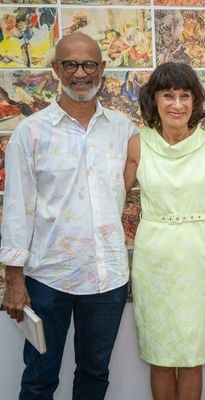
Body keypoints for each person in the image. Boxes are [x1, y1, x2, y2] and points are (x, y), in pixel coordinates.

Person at [0, 32, 137, 399]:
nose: (81, 73)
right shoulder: (30, 133)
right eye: (71, 64)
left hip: (107, 279)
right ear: (56, 69)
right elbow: (16, 206)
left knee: (95, 374)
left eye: (89, 64)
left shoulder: (124, 131)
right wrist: (13, 279)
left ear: (102, 69)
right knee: (40, 377)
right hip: (48, 279)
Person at [123, 62, 205, 400]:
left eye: (185, 96)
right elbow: (112, 198)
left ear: (195, 101)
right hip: (155, 261)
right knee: (159, 358)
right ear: (154, 100)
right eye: (168, 95)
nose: (177, 104)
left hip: (200, 260)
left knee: (192, 358)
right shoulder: (138, 144)